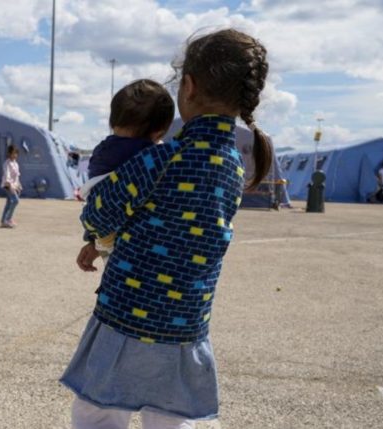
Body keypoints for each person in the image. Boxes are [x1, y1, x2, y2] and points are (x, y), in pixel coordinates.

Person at [63, 28, 273, 428]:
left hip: (125, 313)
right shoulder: (233, 167)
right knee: (171, 417)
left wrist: (98, 224)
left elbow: (97, 216)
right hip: (186, 322)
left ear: (188, 88)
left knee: (99, 410)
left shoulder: (160, 161)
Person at [79, 79, 175, 258]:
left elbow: (96, 197)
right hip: (136, 241)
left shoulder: (102, 150)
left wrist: (92, 241)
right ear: (159, 132)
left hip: (103, 231)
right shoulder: (152, 156)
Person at [0, 146, 21, 228]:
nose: (15, 155)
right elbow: (7, 175)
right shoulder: (6, 163)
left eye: (16, 153)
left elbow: (17, 176)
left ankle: (3, 221)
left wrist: (19, 185)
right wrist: (10, 186)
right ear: (9, 154)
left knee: (9, 203)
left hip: (14, 186)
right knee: (16, 201)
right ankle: (8, 219)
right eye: (13, 153)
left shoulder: (16, 164)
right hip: (7, 185)